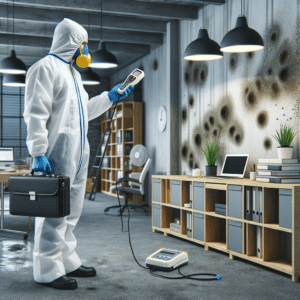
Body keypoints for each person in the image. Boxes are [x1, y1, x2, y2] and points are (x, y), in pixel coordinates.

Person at [24, 18, 133, 290]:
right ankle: (47, 269)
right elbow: (35, 114)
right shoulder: (44, 69)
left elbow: (86, 112)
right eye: (83, 45)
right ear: (71, 43)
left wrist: (110, 96)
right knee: (53, 214)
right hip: (55, 155)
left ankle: (66, 259)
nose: (86, 51)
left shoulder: (75, 75)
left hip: (78, 154)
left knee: (71, 212)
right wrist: (38, 152)